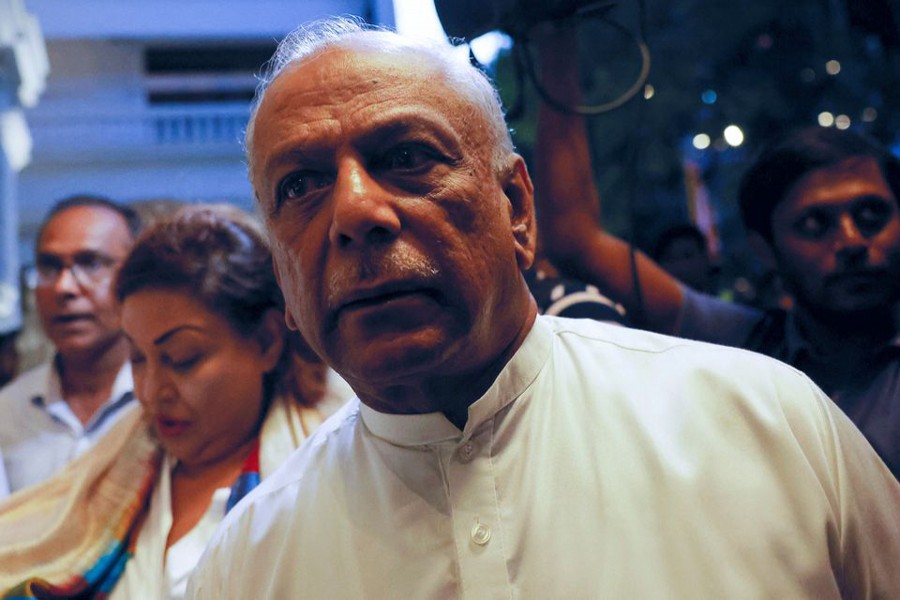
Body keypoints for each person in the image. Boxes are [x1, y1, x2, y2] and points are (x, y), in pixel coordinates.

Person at [188, 17, 900, 598]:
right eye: (299, 186)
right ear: (282, 275)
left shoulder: (771, 425)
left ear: (518, 210)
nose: (354, 210)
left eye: (407, 157)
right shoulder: (247, 567)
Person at [531, 25, 900, 477]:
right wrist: (554, 35)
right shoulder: (752, 348)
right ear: (765, 248)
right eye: (814, 224)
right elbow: (575, 240)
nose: (851, 243)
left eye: (871, 216)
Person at [0, 205, 340, 599]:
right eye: (138, 359)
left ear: (266, 341)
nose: (152, 391)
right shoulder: (115, 470)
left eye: (182, 358)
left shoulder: (327, 473)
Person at [0, 195, 140, 493]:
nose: (64, 287)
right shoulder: (7, 414)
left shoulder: (164, 406)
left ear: (132, 275)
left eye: (90, 263)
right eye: (49, 267)